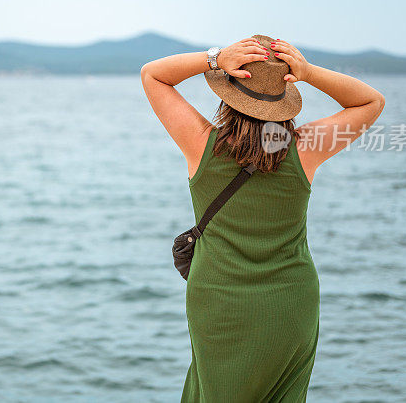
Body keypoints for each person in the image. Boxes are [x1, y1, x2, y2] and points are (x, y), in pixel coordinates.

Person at [140, 34, 385, 402]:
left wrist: (215, 58)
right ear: (283, 102)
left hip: (219, 302)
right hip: (291, 301)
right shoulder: (304, 149)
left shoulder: (201, 145)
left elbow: (153, 75)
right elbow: (370, 101)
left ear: (228, 95)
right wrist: (307, 71)